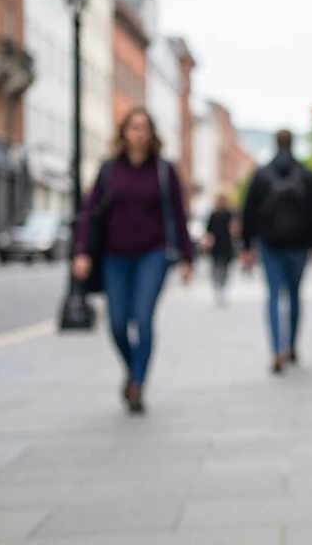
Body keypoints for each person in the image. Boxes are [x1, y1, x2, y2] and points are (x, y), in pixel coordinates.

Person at [72, 108, 194, 414]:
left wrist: (187, 257)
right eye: (134, 127)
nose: (139, 134)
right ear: (124, 132)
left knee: (143, 319)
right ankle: (132, 368)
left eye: (144, 128)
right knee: (116, 324)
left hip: (153, 254)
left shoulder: (164, 170)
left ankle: (138, 384)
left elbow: (179, 215)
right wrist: (81, 251)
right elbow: (89, 213)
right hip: (114, 256)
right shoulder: (109, 169)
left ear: (152, 134)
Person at [240, 129, 312, 374]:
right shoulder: (306, 175)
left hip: (270, 245)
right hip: (299, 244)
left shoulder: (261, 175)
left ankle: (276, 350)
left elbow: (248, 212)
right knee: (294, 295)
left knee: (272, 295)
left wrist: (246, 245)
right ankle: (290, 345)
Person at [203, 192, 237, 306]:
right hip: (226, 244)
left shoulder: (213, 215)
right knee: (225, 268)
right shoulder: (229, 214)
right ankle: (221, 286)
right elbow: (234, 230)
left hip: (216, 245)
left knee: (216, 266)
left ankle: (217, 285)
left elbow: (209, 232)